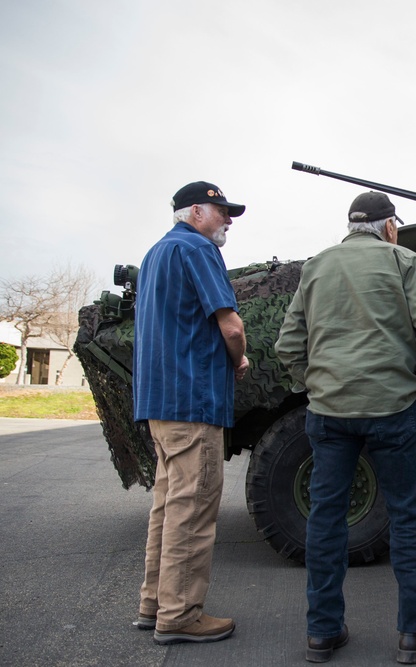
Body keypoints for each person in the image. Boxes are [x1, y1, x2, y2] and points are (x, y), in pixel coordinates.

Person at [274, 191, 416, 664]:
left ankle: (322, 633)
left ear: (351, 226)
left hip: (330, 414)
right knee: (409, 516)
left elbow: (289, 344)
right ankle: (414, 634)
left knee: (326, 518)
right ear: (389, 226)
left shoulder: (316, 265)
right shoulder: (403, 260)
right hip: (395, 410)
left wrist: (312, 384)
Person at [132, 181, 250, 645]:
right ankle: (179, 615)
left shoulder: (156, 253)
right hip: (193, 402)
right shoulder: (198, 250)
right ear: (195, 212)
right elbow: (231, 324)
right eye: (221, 211)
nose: (228, 220)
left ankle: (154, 604)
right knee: (194, 509)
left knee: (167, 507)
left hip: (160, 404)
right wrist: (238, 357)